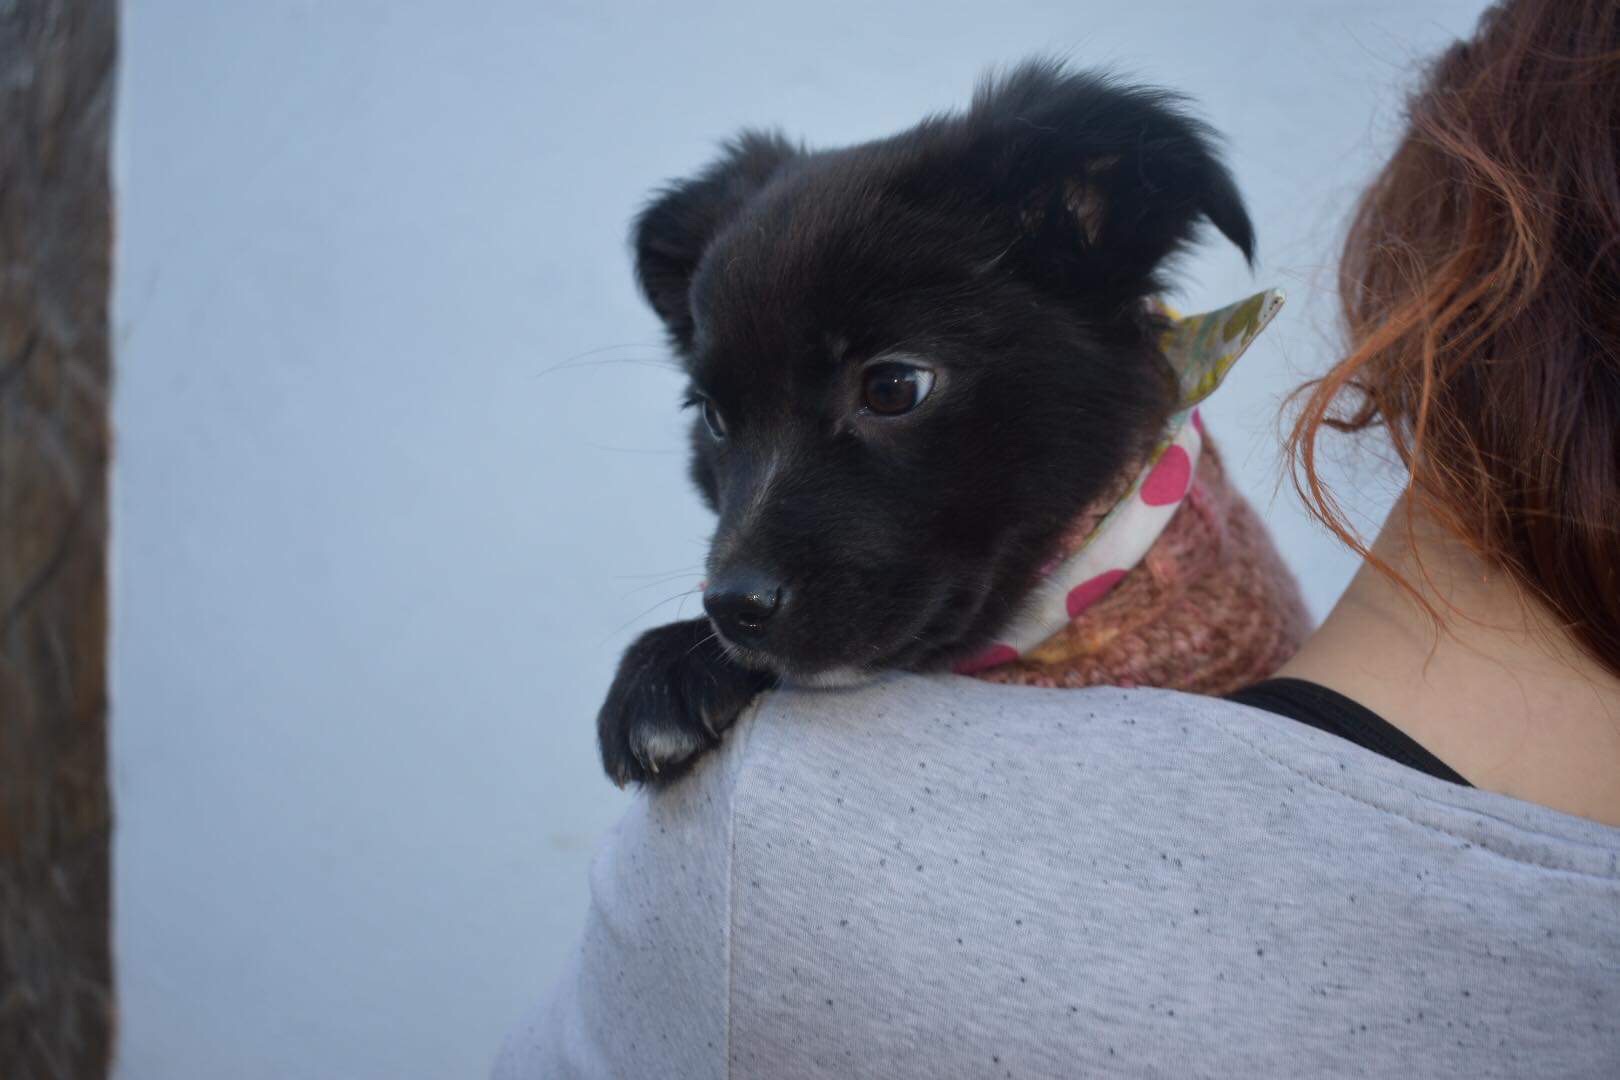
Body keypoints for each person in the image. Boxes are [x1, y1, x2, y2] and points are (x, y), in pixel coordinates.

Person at [498, 1, 1619, 1075]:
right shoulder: (768, 828)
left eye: (890, 389)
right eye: (722, 418)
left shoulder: (1249, 660)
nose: (739, 566)